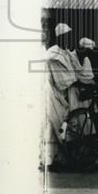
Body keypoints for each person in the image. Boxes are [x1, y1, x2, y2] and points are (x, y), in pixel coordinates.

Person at [43, 23, 79, 170]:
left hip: (64, 95)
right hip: (54, 95)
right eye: (67, 36)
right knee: (55, 128)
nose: (70, 39)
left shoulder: (66, 53)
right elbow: (63, 81)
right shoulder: (54, 55)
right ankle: (53, 161)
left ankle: (62, 160)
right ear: (61, 37)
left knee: (64, 128)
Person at [68, 37, 97, 110]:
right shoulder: (70, 58)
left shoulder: (86, 60)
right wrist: (87, 83)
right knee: (75, 114)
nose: (88, 53)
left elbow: (89, 76)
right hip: (74, 91)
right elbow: (70, 79)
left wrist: (90, 83)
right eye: (88, 51)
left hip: (84, 93)